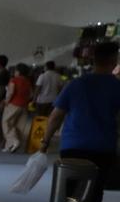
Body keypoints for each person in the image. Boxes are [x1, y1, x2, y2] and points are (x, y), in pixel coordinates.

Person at [45, 38, 120, 185]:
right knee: (94, 191)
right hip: (103, 147)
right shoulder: (117, 87)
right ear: (114, 60)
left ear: (93, 59)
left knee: (71, 192)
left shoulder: (76, 84)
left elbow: (56, 116)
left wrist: (45, 142)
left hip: (73, 145)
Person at [3, 62, 36, 153]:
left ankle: (14, 141)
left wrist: (6, 101)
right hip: (24, 106)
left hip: (13, 104)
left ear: (18, 71)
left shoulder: (14, 80)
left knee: (7, 123)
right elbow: (31, 95)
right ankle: (10, 146)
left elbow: (10, 92)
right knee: (19, 126)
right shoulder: (28, 81)